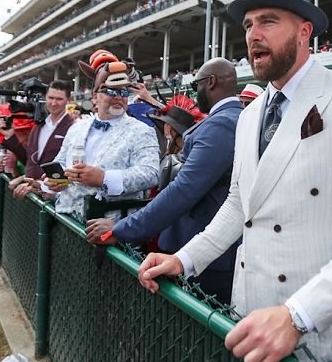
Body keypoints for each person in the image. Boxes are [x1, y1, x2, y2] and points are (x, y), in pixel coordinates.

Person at [137, 0, 332, 362]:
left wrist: (298, 315)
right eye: (248, 25)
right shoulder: (247, 117)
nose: (253, 35)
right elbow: (238, 206)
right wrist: (185, 259)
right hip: (253, 321)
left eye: (268, 21)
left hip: (324, 333)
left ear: (304, 31)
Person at [85, 58, 243, 304]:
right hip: (207, 251)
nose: (196, 92)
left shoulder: (222, 123)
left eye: (196, 85)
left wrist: (122, 229)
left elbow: (183, 191)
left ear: (210, 82)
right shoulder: (234, 119)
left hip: (207, 257)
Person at [46, 60, 159, 222]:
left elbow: (151, 173)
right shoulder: (77, 128)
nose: (119, 97)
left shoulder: (142, 131)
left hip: (108, 228)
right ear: (95, 97)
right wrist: (56, 181)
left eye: (124, 92)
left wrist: (104, 178)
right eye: (111, 91)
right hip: (67, 221)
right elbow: (61, 161)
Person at [0, 80, 74, 199]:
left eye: (59, 99)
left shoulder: (74, 127)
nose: (53, 103)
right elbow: (29, 159)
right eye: (50, 98)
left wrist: (42, 186)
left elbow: (69, 168)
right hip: (29, 195)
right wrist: (9, 136)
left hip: (52, 200)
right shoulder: (39, 125)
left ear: (68, 101)